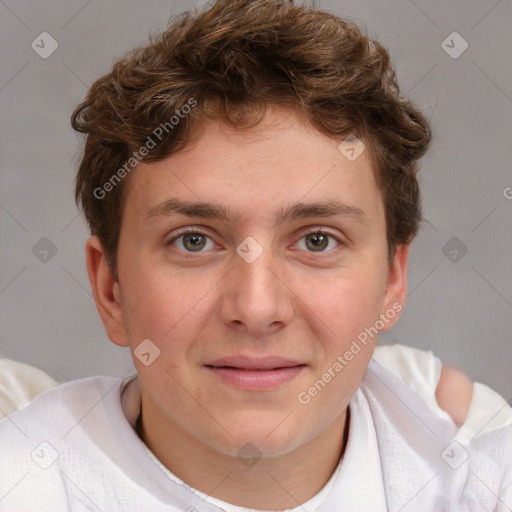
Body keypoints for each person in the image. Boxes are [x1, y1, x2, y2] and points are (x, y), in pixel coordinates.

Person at [0, 1, 511, 510]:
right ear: (111, 290)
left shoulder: (474, 471)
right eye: (193, 240)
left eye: (317, 240)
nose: (258, 308)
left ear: (393, 281)